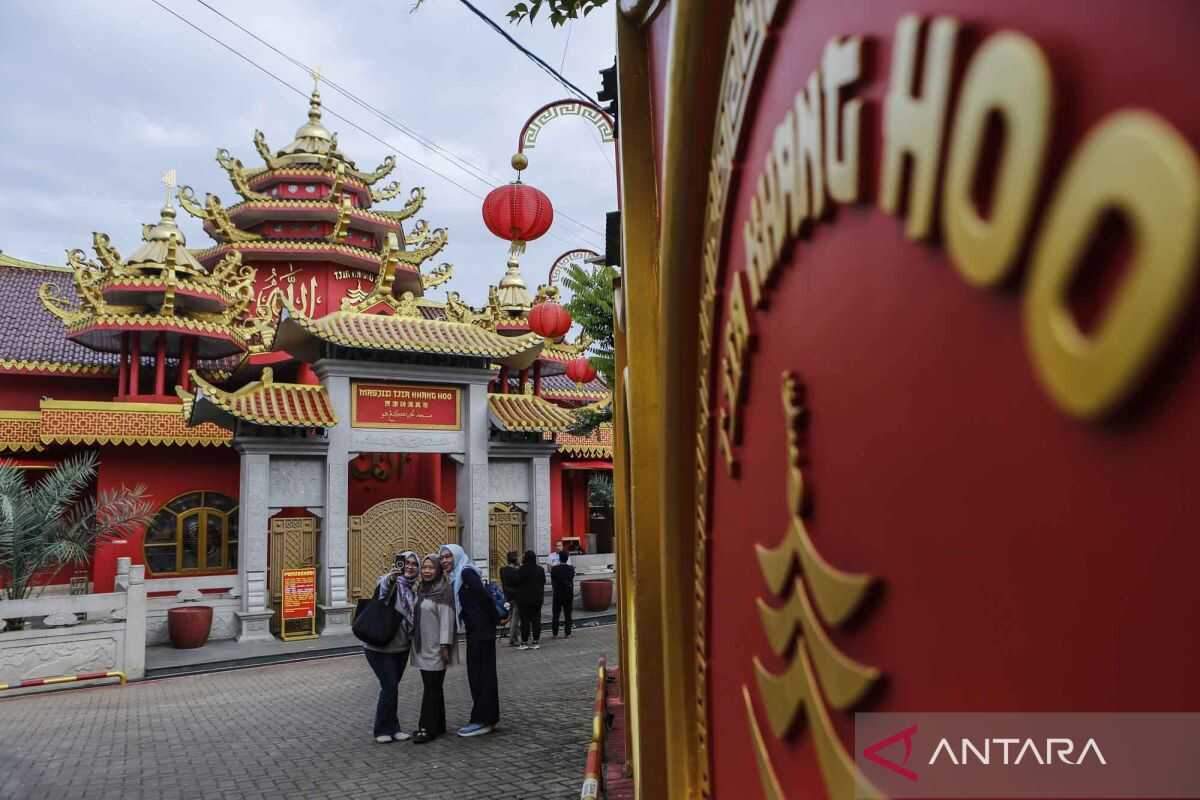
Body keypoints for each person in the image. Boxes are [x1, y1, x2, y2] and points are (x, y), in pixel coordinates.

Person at [439, 544, 500, 736]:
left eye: (448, 556)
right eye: (442, 558)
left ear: (457, 556)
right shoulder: (457, 576)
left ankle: (484, 719)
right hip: (477, 631)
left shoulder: (466, 573)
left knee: (482, 675)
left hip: (482, 631)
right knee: (478, 674)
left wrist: (493, 621)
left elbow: (485, 598)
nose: (445, 561)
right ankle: (484, 717)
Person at [363, 550, 419, 743]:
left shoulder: (413, 590)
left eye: (414, 564)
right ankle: (381, 730)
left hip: (401, 648)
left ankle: (393, 728)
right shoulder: (390, 582)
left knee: (392, 687)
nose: (410, 566)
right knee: (389, 687)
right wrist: (392, 577)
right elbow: (382, 591)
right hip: (379, 647)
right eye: (407, 562)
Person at [410, 553, 456, 744]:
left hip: (437, 647)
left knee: (431, 688)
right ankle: (439, 724)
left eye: (431, 568)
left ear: (438, 570)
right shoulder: (422, 589)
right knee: (433, 687)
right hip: (423, 646)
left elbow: (447, 619)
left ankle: (426, 728)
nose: (427, 571)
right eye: (425, 567)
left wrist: (445, 645)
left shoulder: (443, 590)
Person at [513, 549, 546, 650]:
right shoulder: (540, 569)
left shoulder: (521, 570)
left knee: (525, 621)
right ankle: (536, 642)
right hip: (537, 599)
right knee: (536, 620)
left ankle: (524, 642)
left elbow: (516, 582)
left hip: (524, 600)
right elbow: (543, 582)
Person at [550, 548, 576, 638]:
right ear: (567, 558)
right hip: (568, 594)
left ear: (559, 558)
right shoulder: (571, 569)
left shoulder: (554, 569)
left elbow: (553, 581)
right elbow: (571, 579)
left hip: (557, 594)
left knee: (556, 614)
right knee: (568, 614)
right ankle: (567, 633)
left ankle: (555, 633)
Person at [499, 550, 522, 647]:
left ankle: (516, 637)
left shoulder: (502, 570)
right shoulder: (516, 571)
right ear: (515, 559)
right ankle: (512, 639)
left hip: (507, 596)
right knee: (515, 619)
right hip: (516, 596)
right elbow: (519, 583)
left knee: (512, 616)